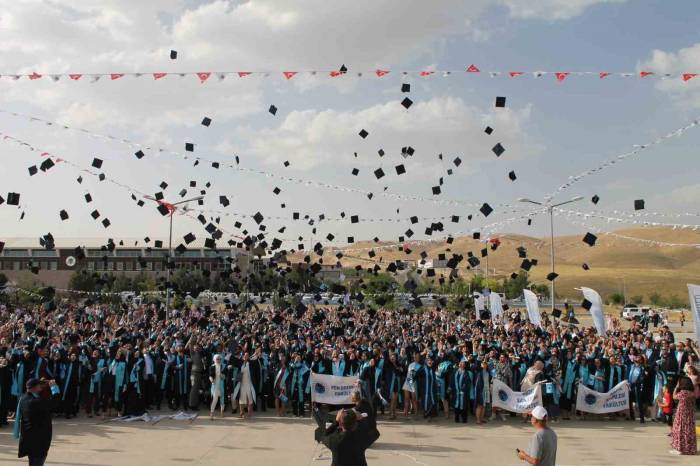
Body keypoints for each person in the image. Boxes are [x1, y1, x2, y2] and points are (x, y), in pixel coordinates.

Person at [14, 378, 57, 466]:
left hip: (29, 439)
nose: (41, 387)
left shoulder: (23, 398)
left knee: (32, 462)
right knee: (38, 462)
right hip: (39, 440)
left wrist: (45, 383)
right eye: (39, 385)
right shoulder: (37, 402)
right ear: (34, 388)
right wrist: (54, 387)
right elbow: (55, 402)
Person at [669, 377, 697, 455]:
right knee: (689, 432)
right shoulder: (692, 393)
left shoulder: (682, 392)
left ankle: (679, 448)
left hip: (681, 415)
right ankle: (689, 449)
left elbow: (674, 396)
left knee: (679, 431)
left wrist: (676, 387)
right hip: (690, 416)